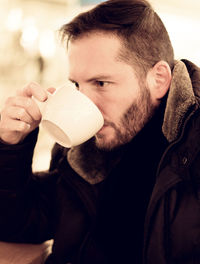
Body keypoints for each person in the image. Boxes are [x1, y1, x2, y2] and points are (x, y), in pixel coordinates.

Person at [0, 0, 200, 263]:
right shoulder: (82, 149)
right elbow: (20, 224)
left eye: (101, 83)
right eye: (77, 84)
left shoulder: (191, 152)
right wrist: (11, 146)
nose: (85, 100)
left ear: (159, 79)